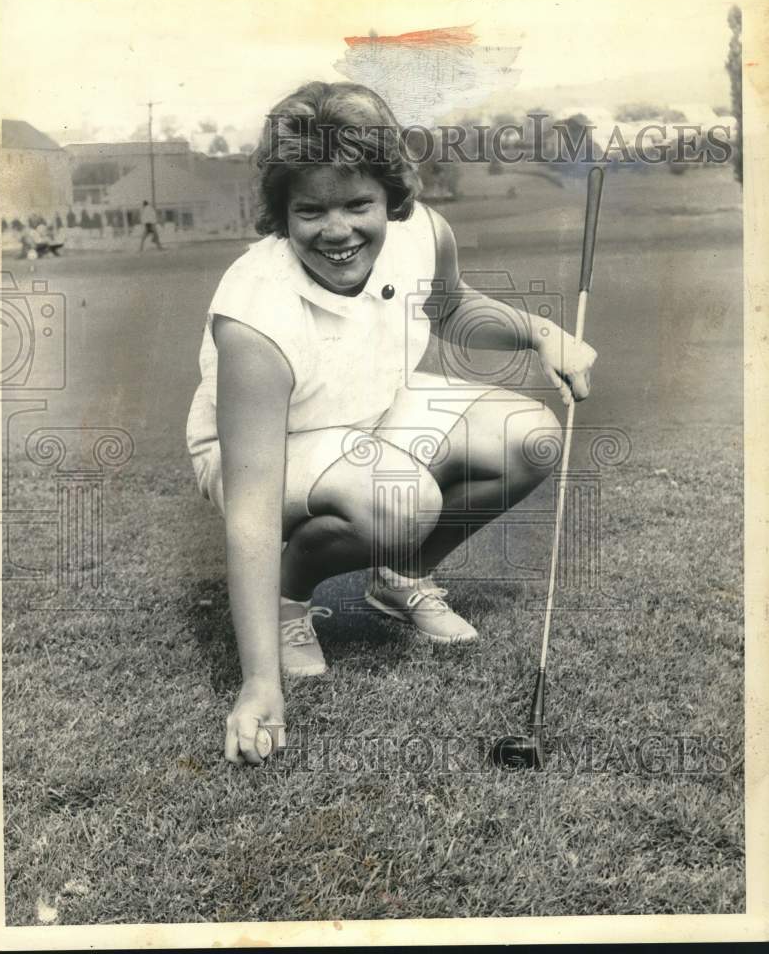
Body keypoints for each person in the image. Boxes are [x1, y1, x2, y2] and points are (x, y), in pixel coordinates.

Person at [186, 81, 597, 766]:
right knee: (402, 498)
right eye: (309, 210)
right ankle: (290, 597)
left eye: (357, 204)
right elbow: (252, 510)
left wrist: (540, 331)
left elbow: (450, 308)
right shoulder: (254, 314)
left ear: (390, 198)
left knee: (530, 438)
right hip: (261, 450)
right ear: (280, 212)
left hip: (371, 412)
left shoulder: (423, 232)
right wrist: (259, 682)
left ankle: (398, 580)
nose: (337, 230)